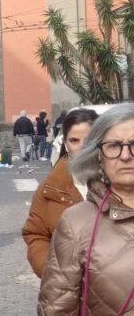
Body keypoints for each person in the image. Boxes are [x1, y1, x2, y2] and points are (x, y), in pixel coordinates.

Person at [38, 104, 134, 314]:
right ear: (98, 155)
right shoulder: (76, 222)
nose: (126, 155)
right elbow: (57, 308)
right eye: (114, 146)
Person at [22, 108, 98, 277]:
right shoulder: (49, 188)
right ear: (65, 143)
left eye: (89, 141)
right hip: (69, 291)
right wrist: (51, 273)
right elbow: (36, 234)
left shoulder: (120, 181)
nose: (82, 148)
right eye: (74, 141)